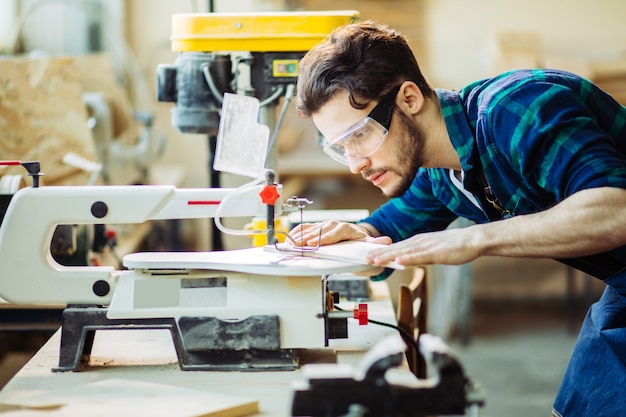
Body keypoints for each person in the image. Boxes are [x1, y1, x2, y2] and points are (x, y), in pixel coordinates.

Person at [289, 20, 626, 417]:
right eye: (340, 148)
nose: (354, 164)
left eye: (359, 134)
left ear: (409, 98)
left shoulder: (516, 109)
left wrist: (473, 239)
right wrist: (356, 235)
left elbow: (615, 210)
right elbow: (390, 228)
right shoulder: (440, 173)